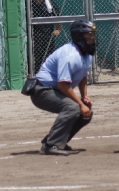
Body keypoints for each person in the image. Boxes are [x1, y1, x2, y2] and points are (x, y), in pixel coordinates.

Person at [30, 19, 96, 156]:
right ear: (78, 36)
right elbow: (63, 85)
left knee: (85, 113)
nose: (92, 37)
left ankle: (56, 141)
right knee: (73, 108)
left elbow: (83, 75)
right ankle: (51, 145)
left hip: (55, 90)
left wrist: (84, 96)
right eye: (88, 34)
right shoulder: (69, 55)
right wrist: (79, 104)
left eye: (93, 34)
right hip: (42, 91)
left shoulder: (86, 52)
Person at [30, 0, 62, 73]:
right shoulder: (28, 4)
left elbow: (58, 17)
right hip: (33, 39)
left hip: (48, 38)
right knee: (35, 62)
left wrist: (58, 29)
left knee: (49, 60)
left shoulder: (49, 4)